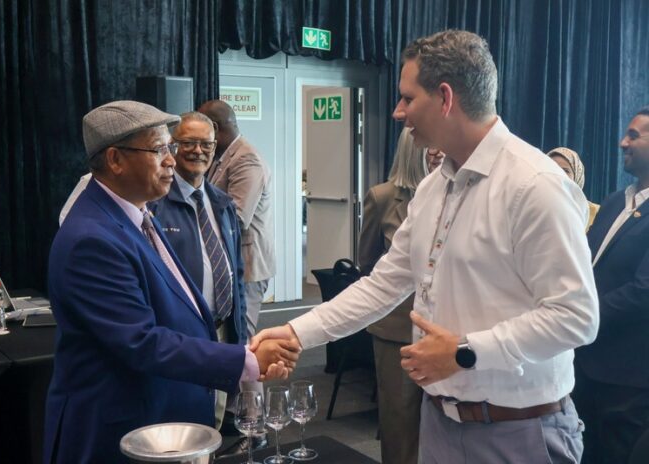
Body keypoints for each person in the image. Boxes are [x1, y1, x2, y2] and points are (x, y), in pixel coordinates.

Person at [252, 30, 598, 464]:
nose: (398, 112)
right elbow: (383, 286)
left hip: (518, 431)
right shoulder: (434, 187)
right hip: (439, 423)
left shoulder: (535, 185)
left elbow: (576, 317)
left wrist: (465, 352)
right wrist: (295, 332)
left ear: (446, 98)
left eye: (408, 98)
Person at [44, 101, 298, 464]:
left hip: (159, 417)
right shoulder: (92, 239)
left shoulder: (137, 213)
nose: (171, 160)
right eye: (159, 149)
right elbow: (141, 342)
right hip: (120, 431)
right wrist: (245, 360)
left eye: (170, 147)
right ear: (115, 160)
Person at [148, 111, 247, 429]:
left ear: (216, 147)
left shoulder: (223, 204)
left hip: (221, 333)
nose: (198, 151)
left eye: (206, 144)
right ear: (172, 146)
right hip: (180, 340)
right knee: (180, 428)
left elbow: (236, 274)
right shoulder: (154, 206)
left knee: (213, 422)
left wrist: (239, 335)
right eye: (188, 142)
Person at [358, 129, 443, 464]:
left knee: (443, 422)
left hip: (445, 332)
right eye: (431, 146)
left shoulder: (455, 195)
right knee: (400, 424)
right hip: (396, 332)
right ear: (412, 149)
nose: (438, 152)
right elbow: (368, 265)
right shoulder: (382, 197)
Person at [573, 106, 649, 464]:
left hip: (627, 380)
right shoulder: (615, 201)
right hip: (584, 365)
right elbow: (583, 267)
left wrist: (580, 316)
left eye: (634, 135)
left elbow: (643, 291)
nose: (622, 143)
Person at [198, 100, 275, 340]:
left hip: (247, 264)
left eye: (202, 130)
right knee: (226, 337)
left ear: (214, 128)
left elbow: (238, 219)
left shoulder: (246, 159)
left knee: (242, 340)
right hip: (228, 261)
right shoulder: (223, 156)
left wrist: (192, 224)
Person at [547, 147, 600, 230]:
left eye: (565, 170)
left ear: (577, 175)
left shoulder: (596, 213)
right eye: (553, 169)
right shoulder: (535, 208)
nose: (559, 174)